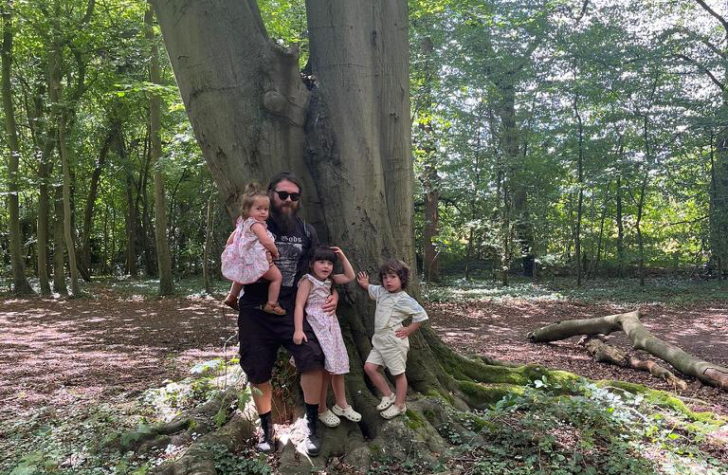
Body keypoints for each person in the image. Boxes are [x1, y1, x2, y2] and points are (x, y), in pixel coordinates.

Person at [236, 172, 335, 456]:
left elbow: (318, 271)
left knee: (313, 356)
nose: (289, 200)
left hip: (292, 305)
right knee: (256, 368)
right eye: (283, 195)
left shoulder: (306, 230)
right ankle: (266, 427)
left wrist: (335, 295)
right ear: (270, 195)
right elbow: (235, 257)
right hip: (255, 306)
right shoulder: (251, 225)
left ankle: (312, 424)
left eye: (294, 196)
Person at [293, 246, 361, 428]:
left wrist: (343, 256)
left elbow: (349, 276)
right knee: (323, 369)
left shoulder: (330, 281)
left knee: (338, 365)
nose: (326, 266)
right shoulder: (308, 281)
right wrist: (298, 330)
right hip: (316, 327)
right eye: (321, 262)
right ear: (311, 264)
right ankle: (321, 408)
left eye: (330, 263)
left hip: (331, 327)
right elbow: (299, 306)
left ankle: (342, 404)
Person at [356, 259, 428, 419]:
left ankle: (400, 404)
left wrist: (409, 329)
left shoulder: (404, 299)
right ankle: (388, 395)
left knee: (398, 374)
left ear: (401, 279)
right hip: (379, 342)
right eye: (385, 277)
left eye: (392, 277)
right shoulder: (381, 291)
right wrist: (365, 284)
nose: (388, 281)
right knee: (369, 367)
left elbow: (421, 315)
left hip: (394, 343)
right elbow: (371, 288)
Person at [221, 183, 285, 315]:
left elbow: (231, 239)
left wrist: (230, 249)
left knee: (241, 275)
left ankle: (232, 297)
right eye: (259, 208)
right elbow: (266, 241)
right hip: (257, 259)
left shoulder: (243, 223)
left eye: (266, 209)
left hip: (245, 258)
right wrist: (275, 251)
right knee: (277, 277)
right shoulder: (257, 225)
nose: (263, 212)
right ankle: (271, 304)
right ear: (247, 210)